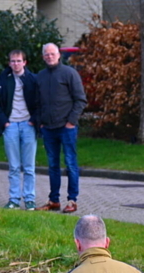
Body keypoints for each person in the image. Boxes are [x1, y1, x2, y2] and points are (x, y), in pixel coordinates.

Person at [35, 43, 87, 214]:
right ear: (43, 57)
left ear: (59, 55)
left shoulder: (69, 73)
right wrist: (41, 122)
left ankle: (72, 200)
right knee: (52, 165)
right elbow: (37, 102)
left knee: (71, 164)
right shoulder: (40, 77)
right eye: (46, 54)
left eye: (52, 53)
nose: (49, 56)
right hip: (48, 128)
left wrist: (71, 121)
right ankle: (53, 200)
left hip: (66, 127)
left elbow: (80, 100)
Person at [0, 50, 41, 210]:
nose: (16, 64)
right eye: (13, 61)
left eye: (19, 61)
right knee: (13, 166)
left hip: (28, 125)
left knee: (29, 166)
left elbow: (41, 102)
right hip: (11, 125)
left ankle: (30, 199)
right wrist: (4, 122)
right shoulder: (2, 81)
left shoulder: (33, 80)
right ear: (9, 63)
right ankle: (13, 199)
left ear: (25, 62)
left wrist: (34, 120)